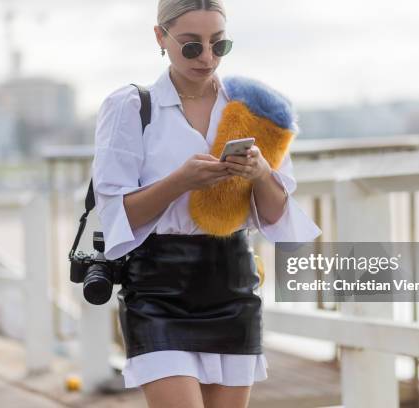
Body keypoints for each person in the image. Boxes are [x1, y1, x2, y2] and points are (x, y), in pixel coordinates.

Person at [91, 1, 322, 407]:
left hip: (231, 282)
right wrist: (180, 182)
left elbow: (275, 214)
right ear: (160, 37)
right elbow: (118, 217)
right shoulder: (130, 107)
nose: (208, 58)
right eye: (191, 46)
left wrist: (261, 174)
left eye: (219, 44)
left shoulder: (254, 108)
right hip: (157, 287)